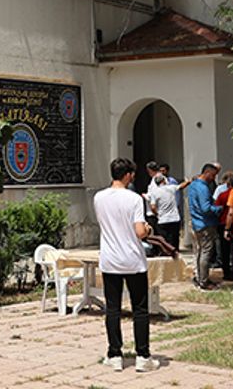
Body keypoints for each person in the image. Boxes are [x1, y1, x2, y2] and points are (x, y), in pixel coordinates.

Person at [94, 157, 158, 373]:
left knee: (112, 309)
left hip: (110, 259)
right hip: (132, 259)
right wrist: (148, 229)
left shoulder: (99, 197)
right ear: (128, 175)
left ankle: (114, 354)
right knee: (140, 309)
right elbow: (140, 231)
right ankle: (143, 355)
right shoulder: (134, 199)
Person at [188, 163, 223, 290]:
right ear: (207, 173)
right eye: (213, 175)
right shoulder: (203, 188)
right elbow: (206, 208)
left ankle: (199, 277)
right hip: (205, 224)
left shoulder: (193, 185)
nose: (213, 178)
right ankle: (204, 281)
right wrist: (219, 208)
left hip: (197, 223)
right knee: (206, 253)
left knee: (200, 251)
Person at [149, 174, 191, 250]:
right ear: (163, 181)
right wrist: (188, 181)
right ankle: (175, 253)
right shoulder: (171, 188)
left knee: (164, 241)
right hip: (174, 219)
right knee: (174, 240)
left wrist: (157, 214)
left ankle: (166, 254)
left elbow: (153, 207)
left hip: (162, 220)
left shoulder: (154, 192)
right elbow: (181, 186)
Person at [212, 170, 233, 278]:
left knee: (224, 248)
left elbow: (216, 208)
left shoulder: (222, 195)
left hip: (223, 223)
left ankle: (226, 271)